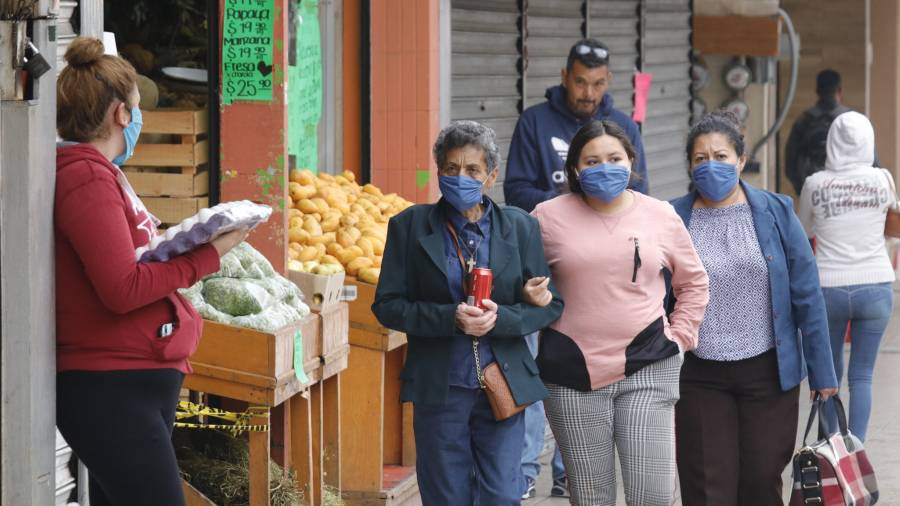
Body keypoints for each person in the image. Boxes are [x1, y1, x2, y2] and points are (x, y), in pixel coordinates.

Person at [54, 37, 248, 506]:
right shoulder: (85, 176)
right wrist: (209, 255)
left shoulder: (97, 173)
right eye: (138, 107)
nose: (140, 119)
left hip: (128, 381)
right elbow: (123, 288)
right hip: (110, 385)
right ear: (122, 113)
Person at [372, 120, 564, 505]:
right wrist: (449, 317)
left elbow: (550, 305)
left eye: (473, 170)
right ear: (439, 171)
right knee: (446, 495)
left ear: (491, 176)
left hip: (503, 381)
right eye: (451, 168)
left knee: (502, 494)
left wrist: (506, 317)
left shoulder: (520, 227)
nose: (461, 177)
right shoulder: (409, 227)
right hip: (440, 386)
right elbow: (387, 306)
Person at [528, 120, 709, 505]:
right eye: (592, 161)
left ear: (631, 160)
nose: (604, 168)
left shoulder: (659, 214)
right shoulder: (545, 216)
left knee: (653, 496)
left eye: (614, 158)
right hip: (572, 371)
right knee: (591, 497)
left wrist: (680, 338)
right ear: (575, 169)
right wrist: (531, 296)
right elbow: (521, 282)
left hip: (649, 364)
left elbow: (693, 283)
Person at [671, 111, 839, 506]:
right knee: (709, 487)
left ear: (742, 160)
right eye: (700, 158)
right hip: (699, 374)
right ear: (690, 166)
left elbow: (807, 295)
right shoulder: (673, 217)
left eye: (721, 156)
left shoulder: (777, 212)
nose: (711, 165)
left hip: (768, 371)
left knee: (762, 482)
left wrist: (822, 372)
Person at [798, 111, 895, 442]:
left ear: (832, 143)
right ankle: (857, 452)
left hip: (828, 289)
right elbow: (893, 231)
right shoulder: (884, 179)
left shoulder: (814, 183)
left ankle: (832, 449)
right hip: (876, 285)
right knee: (863, 376)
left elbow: (805, 231)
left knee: (829, 373)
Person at [504, 38, 648, 214]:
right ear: (565, 76)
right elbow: (516, 193)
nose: (588, 93)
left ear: (608, 80)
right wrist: (575, 203)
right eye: (580, 82)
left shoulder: (625, 126)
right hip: (549, 235)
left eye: (598, 83)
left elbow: (640, 194)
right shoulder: (532, 121)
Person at [785, 69, 851, 195]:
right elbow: (873, 161)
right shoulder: (854, 120)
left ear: (817, 91)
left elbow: (790, 165)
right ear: (840, 91)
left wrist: (802, 190)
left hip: (814, 191)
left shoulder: (803, 121)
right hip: (847, 193)